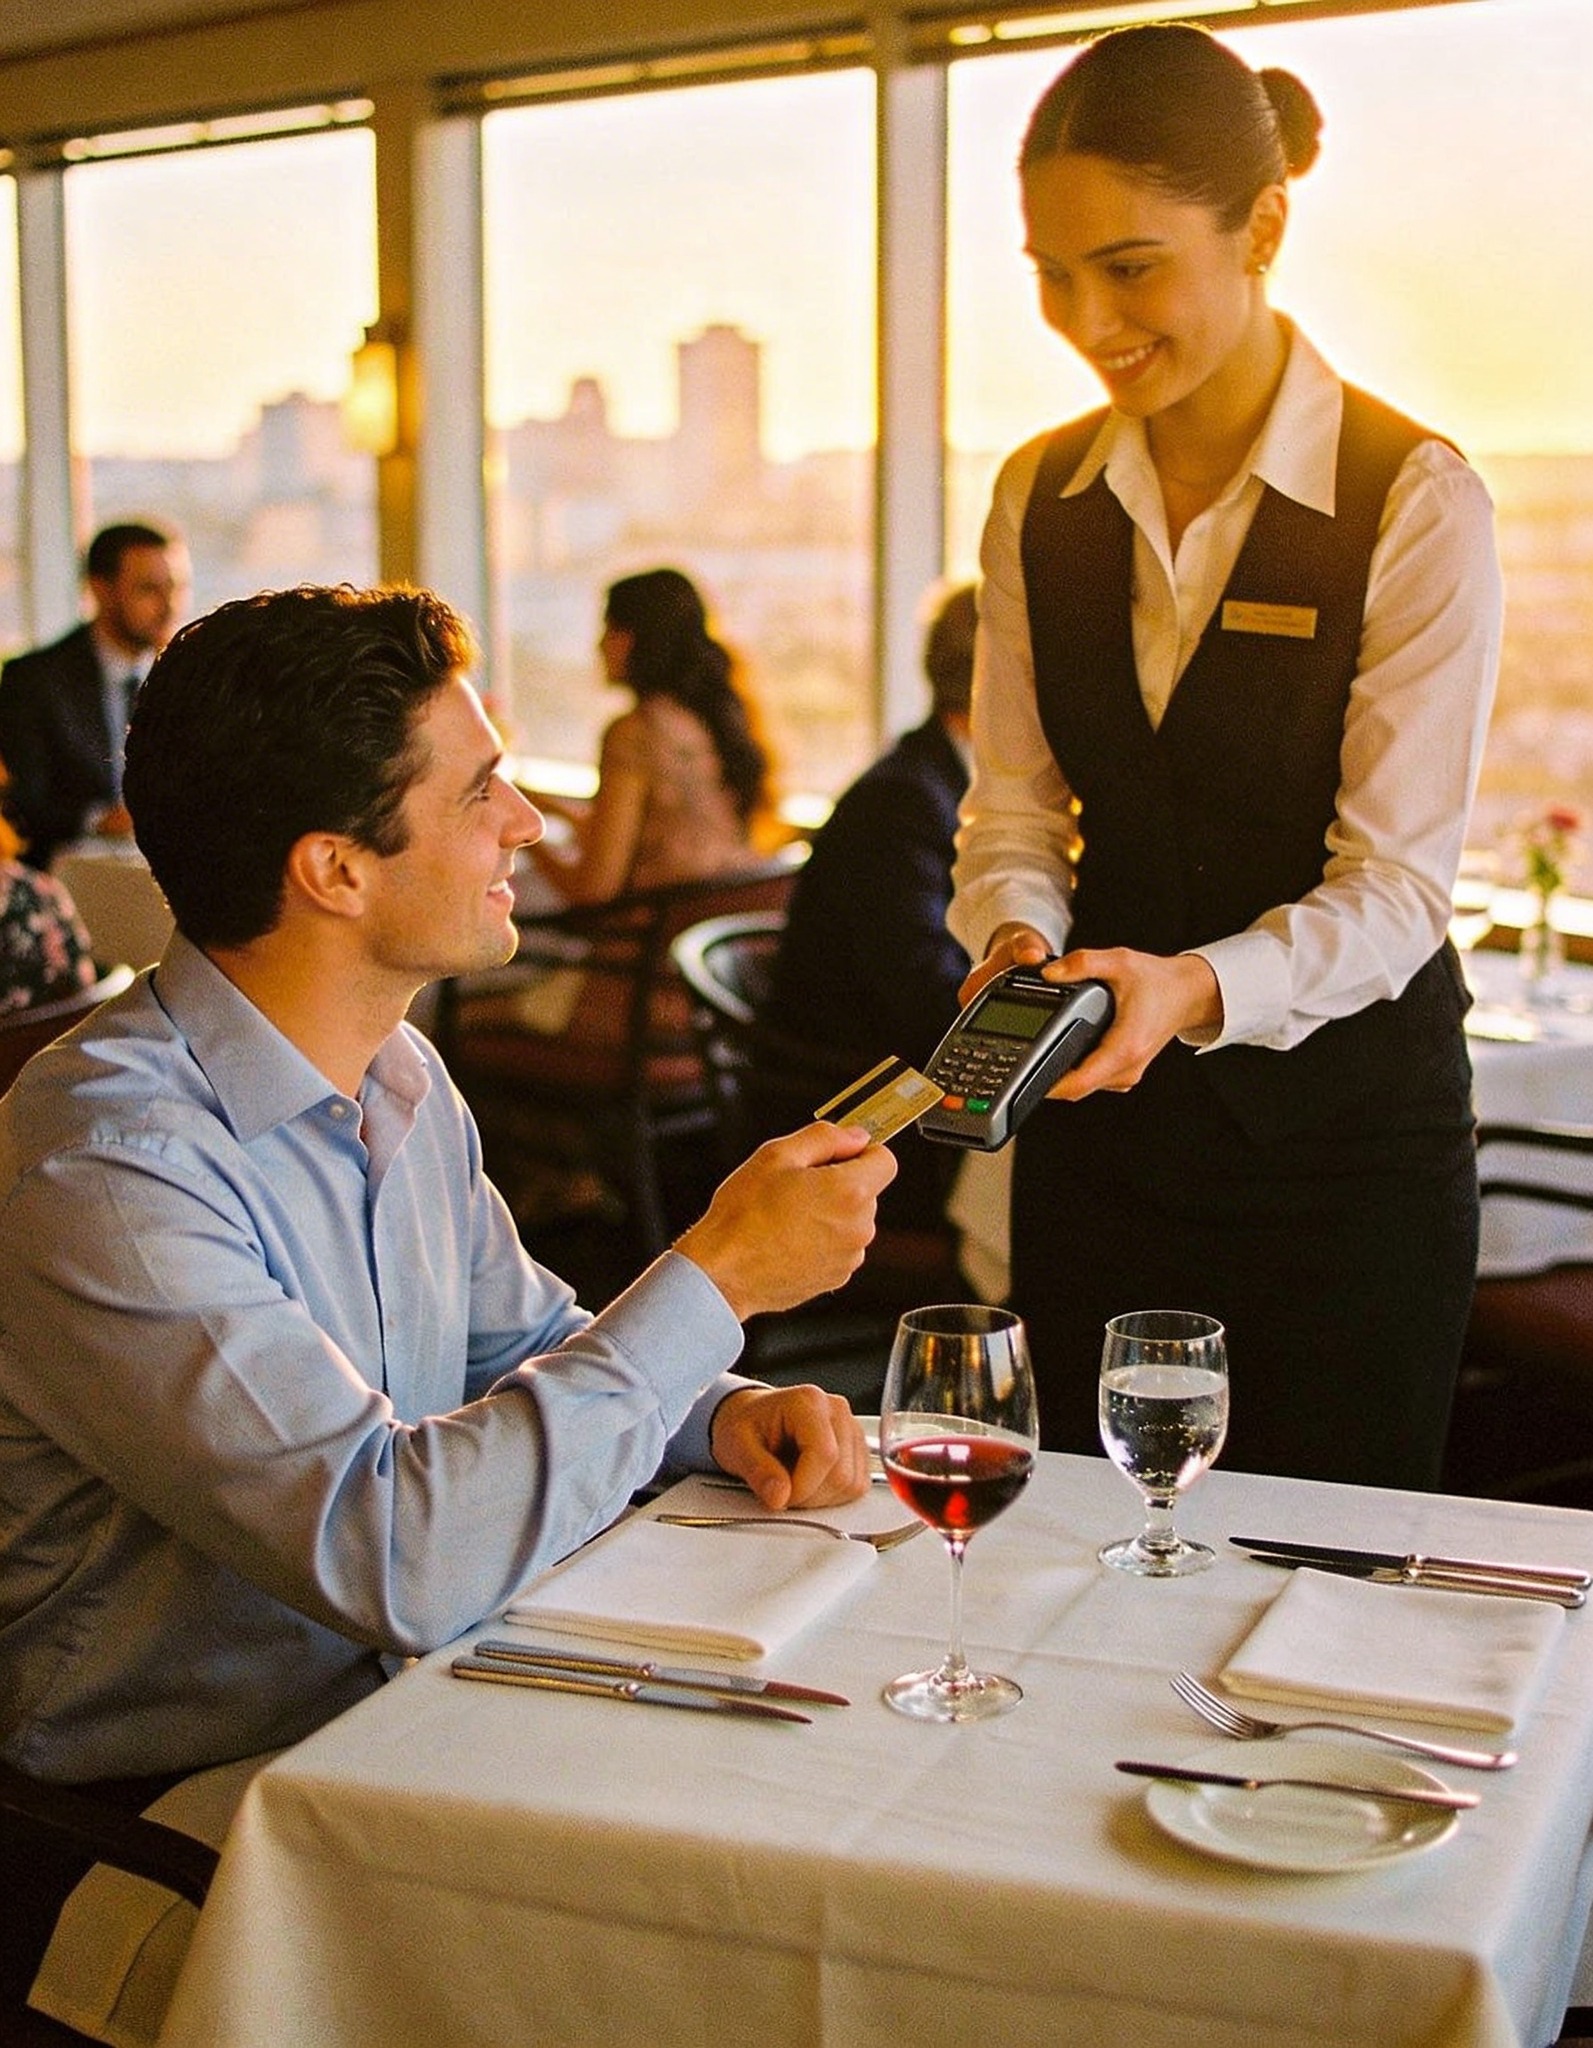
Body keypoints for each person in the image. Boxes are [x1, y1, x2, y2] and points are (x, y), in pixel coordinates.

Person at [0, 582, 894, 1826]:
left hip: (425, 1699)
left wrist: (717, 1409)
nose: (525, 822)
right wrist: (721, 1277)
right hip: (189, 1798)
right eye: (481, 791)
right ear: (335, 869)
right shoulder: (108, 1168)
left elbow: (516, 1341)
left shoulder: (399, 1069)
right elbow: (395, 1551)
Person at [948, 25, 1502, 1488]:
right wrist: (1016, 936)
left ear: (1260, 227)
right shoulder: (1038, 495)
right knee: (1080, 1552)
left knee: (1319, 1565)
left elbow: (1397, 892)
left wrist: (1190, 988)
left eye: (1129, 268)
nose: (1087, 319)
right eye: (1053, 276)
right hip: (1105, 1144)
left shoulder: (1412, 498)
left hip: (1346, 1160)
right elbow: (1014, 811)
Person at [754, 583, 976, 1233]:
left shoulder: (941, 784)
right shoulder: (904, 801)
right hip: (849, 1110)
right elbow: (922, 992)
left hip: (883, 1074)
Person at [528, 566, 777, 905]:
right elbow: (669, 835)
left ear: (631, 639)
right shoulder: (715, 719)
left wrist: (524, 838)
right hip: (724, 918)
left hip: (661, 929)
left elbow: (594, 891)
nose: (599, 645)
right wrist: (548, 808)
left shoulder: (634, 734)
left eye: (609, 629)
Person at [0, 521, 191, 870]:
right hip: (72, 875)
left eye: (176, 587)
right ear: (101, 590)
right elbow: (22, 803)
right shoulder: (36, 679)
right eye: (149, 589)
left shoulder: (188, 677)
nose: (169, 606)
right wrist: (98, 820)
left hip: (170, 868)